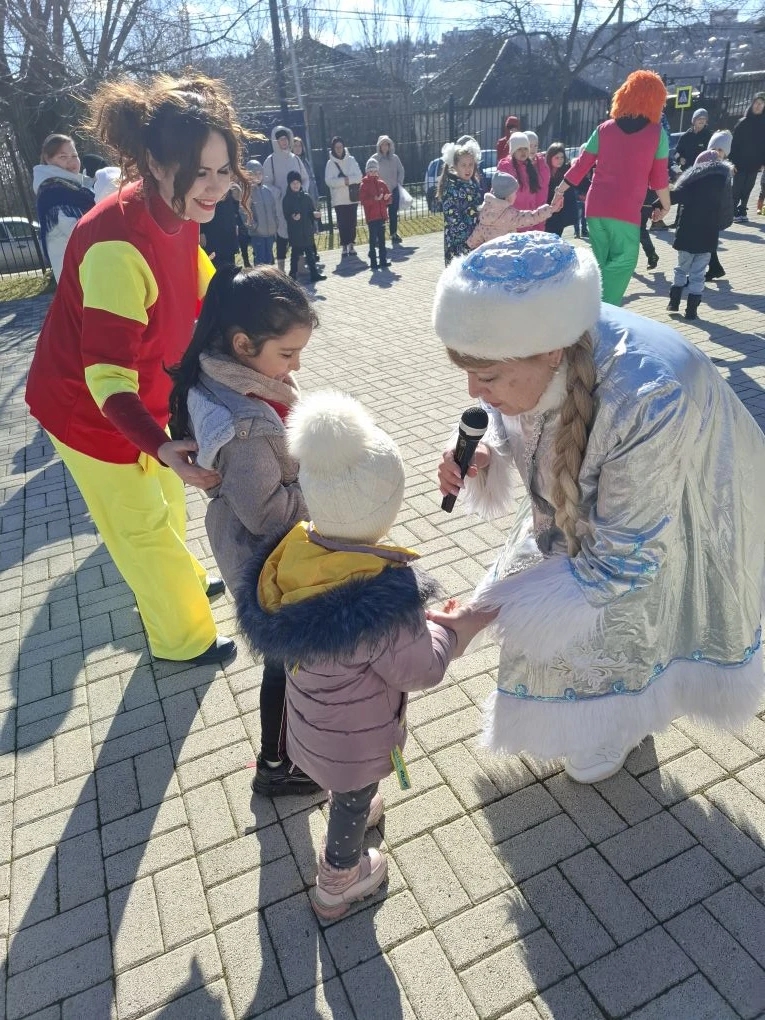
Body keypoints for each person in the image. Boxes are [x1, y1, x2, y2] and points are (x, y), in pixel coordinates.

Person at [432, 231, 765, 784]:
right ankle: (605, 710)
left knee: (642, 605)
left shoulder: (647, 398)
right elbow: (509, 410)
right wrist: (484, 449)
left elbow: (622, 561)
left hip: (683, 497)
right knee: (561, 575)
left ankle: (627, 715)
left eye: (485, 377)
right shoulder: (545, 338)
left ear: (552, 353)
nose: (472, 391)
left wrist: (482, 615)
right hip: (615, 499)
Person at [25, 73, 250, 666]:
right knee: (142, 529)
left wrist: (251, 324)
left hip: (145, 396)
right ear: (155, 163)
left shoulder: (179, 207)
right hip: (87, 412)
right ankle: (181, 639)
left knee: (168, 497)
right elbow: (106, 380)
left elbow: (199, 278)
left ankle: (183, 582)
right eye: (199, 172)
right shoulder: (116, 246)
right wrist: (160, 443)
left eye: (223, 170)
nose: (215, 187)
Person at [236, 392, 482, 918]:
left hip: (309, 729)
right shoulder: (382, 601)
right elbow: (421, 669)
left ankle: (351, 803)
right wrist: (451, 631)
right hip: (354, 744)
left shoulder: (293, 558)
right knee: (351, 797)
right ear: (385, 510)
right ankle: (338, 878)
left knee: (347, 790)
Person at [168, 265, 321, 795]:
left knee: (293, 660)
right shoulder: (244, 425)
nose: (296, 365)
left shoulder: (228, 371)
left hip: (267, 549)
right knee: (286, 663)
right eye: (288, 353)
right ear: (242, 344)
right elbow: (268, 514)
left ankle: (292, 751)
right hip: (266, 559)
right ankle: (276, 766)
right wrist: (325, 485)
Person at [554, 70, 670, 306]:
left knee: (602, 263)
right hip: (626, 212)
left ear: (624, 95)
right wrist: (666, 206)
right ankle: (604, 310)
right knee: (624, 262)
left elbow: (581, 165)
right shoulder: (658, 134)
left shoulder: (604, 129)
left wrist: (559, 191)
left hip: (595, 208)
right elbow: (659, 179)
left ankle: (589, 305)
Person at [665, 150, 731, 320]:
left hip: (687, 234)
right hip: (709, 235)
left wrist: (658, 202)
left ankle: (674, 303)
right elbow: (727, 208)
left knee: (681, 269)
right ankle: (691, 311)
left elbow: (676, 195)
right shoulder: (724, 181)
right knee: (698, 274)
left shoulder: (693, 180)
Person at [32, 133, 95, 281]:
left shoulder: (78, 186)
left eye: (74, 155)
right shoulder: (54, 192)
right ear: (48, 159)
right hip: (77, 274)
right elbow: (77, 232)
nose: (71, 161)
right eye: (63, 157)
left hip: (89, 266)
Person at [467, 172, 559, 249]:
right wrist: (550, 209)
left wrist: (471, 245)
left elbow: (474, 240)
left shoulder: (484, 212)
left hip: (490, 258)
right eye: (515, 193)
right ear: (508, 196)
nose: (516, 195)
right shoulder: (510, 215)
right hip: (507, 255)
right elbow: (532, 217)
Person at [263, 125, 308, 272]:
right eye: (281, 139)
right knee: (282, 237)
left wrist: (302, 191)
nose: (284, 142)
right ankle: (281, 270)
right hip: (280, 205)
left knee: (297, 234)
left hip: (296, 203)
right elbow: (266, 183)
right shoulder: (270, 161)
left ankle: (300, 266)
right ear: (275, 141)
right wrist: (277, 192)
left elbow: (305, 179)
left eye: (286, 139)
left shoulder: (295, 159)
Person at [438, 137, 483, 265]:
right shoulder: (451, 188)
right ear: (455, 166)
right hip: (458, 243)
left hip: (476, 240)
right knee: (459, 272)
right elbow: (453, 218)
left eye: (471, 165)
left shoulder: (473, 184)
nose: (468, 169)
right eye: (463, 165)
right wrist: (468, 240)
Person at [497, 133, 550, 233]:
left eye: (525, 148)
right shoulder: (506, 166)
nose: (523, 152)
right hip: (511, 220)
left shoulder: (530, 166)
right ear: (513, 151)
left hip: (528, 218)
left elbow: (536, 194)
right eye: (519, 149)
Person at [282, 170, 326, 282]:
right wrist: (293, 217)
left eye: (297, 182)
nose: (296, 185)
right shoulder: (287, 199)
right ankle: (292, 275)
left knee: (310, 254)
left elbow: (311, 212)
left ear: (301, 183)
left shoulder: (306, 197)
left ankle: (314, 274)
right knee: (295, 255)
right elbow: (286, 215)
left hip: (307, 231)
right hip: (295, 232)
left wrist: (315, 215)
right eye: (293, 183)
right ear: (289, 184)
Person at [324, 136, 362, 258]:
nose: (339, 149)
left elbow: (359, 176)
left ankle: (351, 244)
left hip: (352, 197)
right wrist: (343, 182)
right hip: (339, 199)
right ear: (333, 148)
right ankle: (344, 245)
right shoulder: (330, 163)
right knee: (342, 223)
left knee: (352, 223)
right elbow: (329, 181)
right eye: (336, 147)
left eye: (340, 147)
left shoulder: (351, 160)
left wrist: (348, 180)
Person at [729, 92, 765, 221]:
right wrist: (732, 162)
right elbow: (734, 144)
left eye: (761, 104)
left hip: (755, 164)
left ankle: (742, 210)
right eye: (756, 103)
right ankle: (732, 211)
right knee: (737, 189)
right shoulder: (742, 122)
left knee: (748, 188)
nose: (758, 106)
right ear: (752, 104)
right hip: (740, 163)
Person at [359, 157, 392, 270]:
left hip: (381, 216)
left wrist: (387, 198)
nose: (373, 173)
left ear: (377, 171)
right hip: (372, 217)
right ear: (367, 172)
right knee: (373, 240)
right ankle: (373, 261)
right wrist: (374, 199)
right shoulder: (364, 185)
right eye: (370, 171)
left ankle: (383, 260)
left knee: (382, 240)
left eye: (375, 171)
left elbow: (388, 197)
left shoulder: (381, 183)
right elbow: (363, 201)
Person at [372, 135, 405, 243]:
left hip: (393, 189)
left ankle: (393, 234)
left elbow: (401, 171)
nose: (385, 147)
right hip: (380, 191)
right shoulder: (374, 159)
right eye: (383, 145)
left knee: (393, 213)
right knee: (380, 215)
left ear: (390, 146)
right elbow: (370, 172)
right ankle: (378, 236)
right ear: (379, 146)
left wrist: (399, 183)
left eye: (387, 144)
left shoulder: (395, 158)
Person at [245, 159, 278, 265]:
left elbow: (273, 210)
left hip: (270, 232)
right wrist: (254, 226)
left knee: (269, 259)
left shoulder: (267, 191)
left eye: (260, 173)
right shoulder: (247, 192)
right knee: (260, 261)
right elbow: (244, 211)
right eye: (254, 174)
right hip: (257, 234)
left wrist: (275, 224)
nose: (258, 176)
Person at [545, 143, 579, 237]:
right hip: (548, 209)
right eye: (557, 157)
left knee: (556, 236)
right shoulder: (544, 171)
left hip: (562, 212)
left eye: (562, 157)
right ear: (550, 157)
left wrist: (574, 161)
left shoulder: (566, 170)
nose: (560, 160)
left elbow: (575, 165)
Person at [201, 186, 240, 268]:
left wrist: (237, 198)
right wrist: (201, 231)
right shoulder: (208, 192)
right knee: (215, 262)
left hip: (229, 233)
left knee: (230, 262)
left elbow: (235, 210)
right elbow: (202, 213)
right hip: (212, 233)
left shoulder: (230, 191)